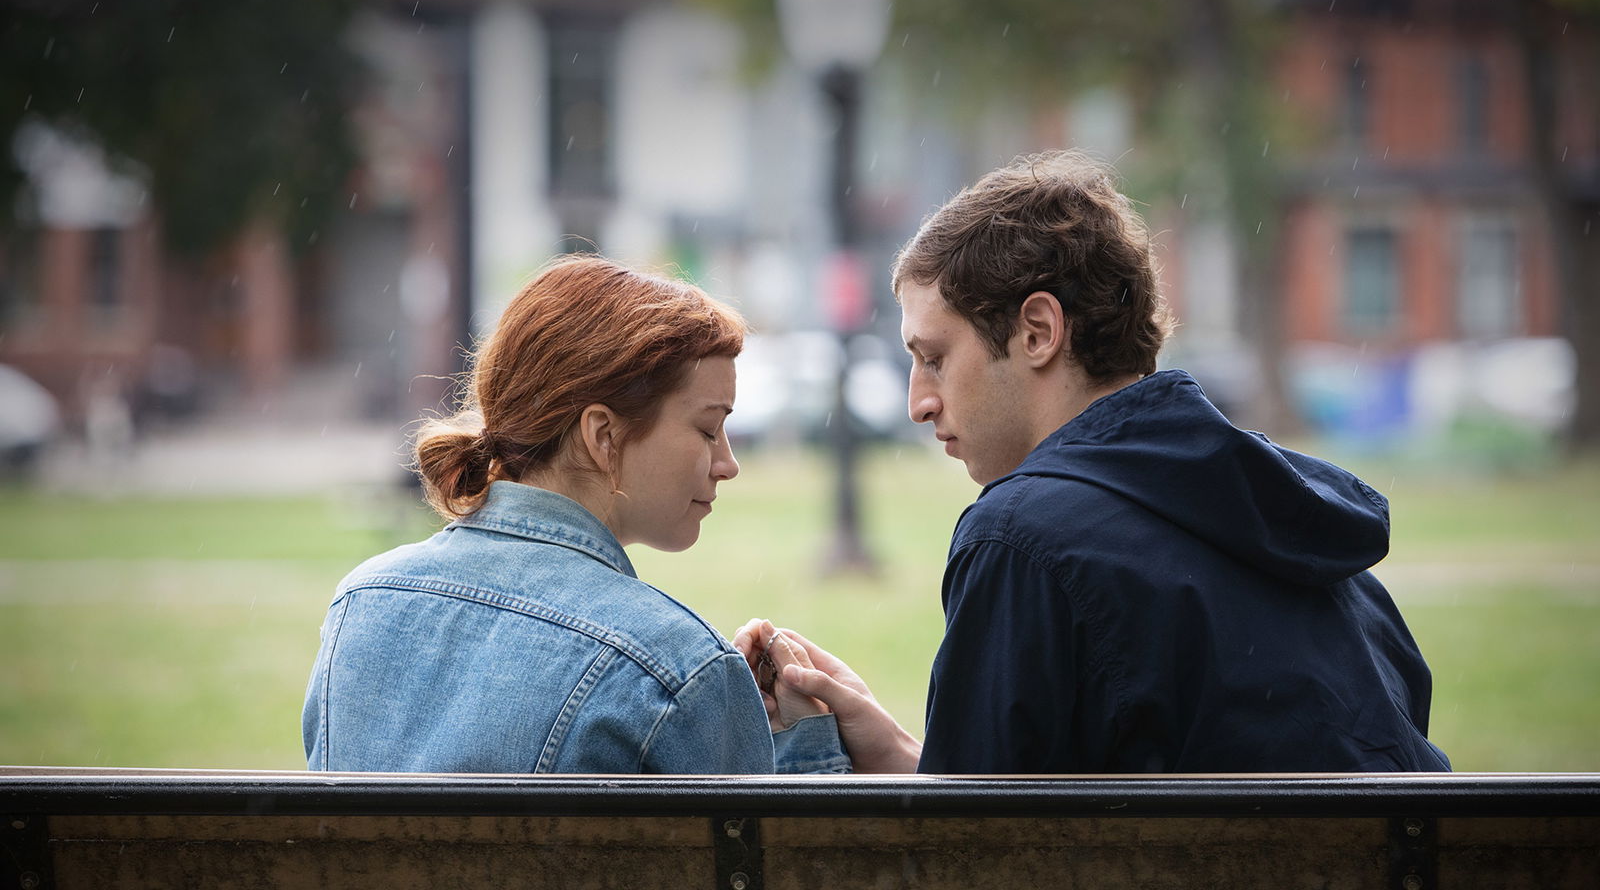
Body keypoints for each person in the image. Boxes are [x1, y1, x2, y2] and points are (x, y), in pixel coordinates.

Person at [738, 150, 1451, 774]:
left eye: (934, 358)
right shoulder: (1296, 523)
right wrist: (893, 748)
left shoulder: (1021, 538)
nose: (917, 403)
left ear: (1038, 331)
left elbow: (964, 850)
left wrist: (814, 748)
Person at [303, 255, 845, 774]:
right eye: (708, 429)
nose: (728, 464)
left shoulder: (361, 603)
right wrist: (802, 740)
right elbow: (772, 843)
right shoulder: (679, 670)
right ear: (603, 435)